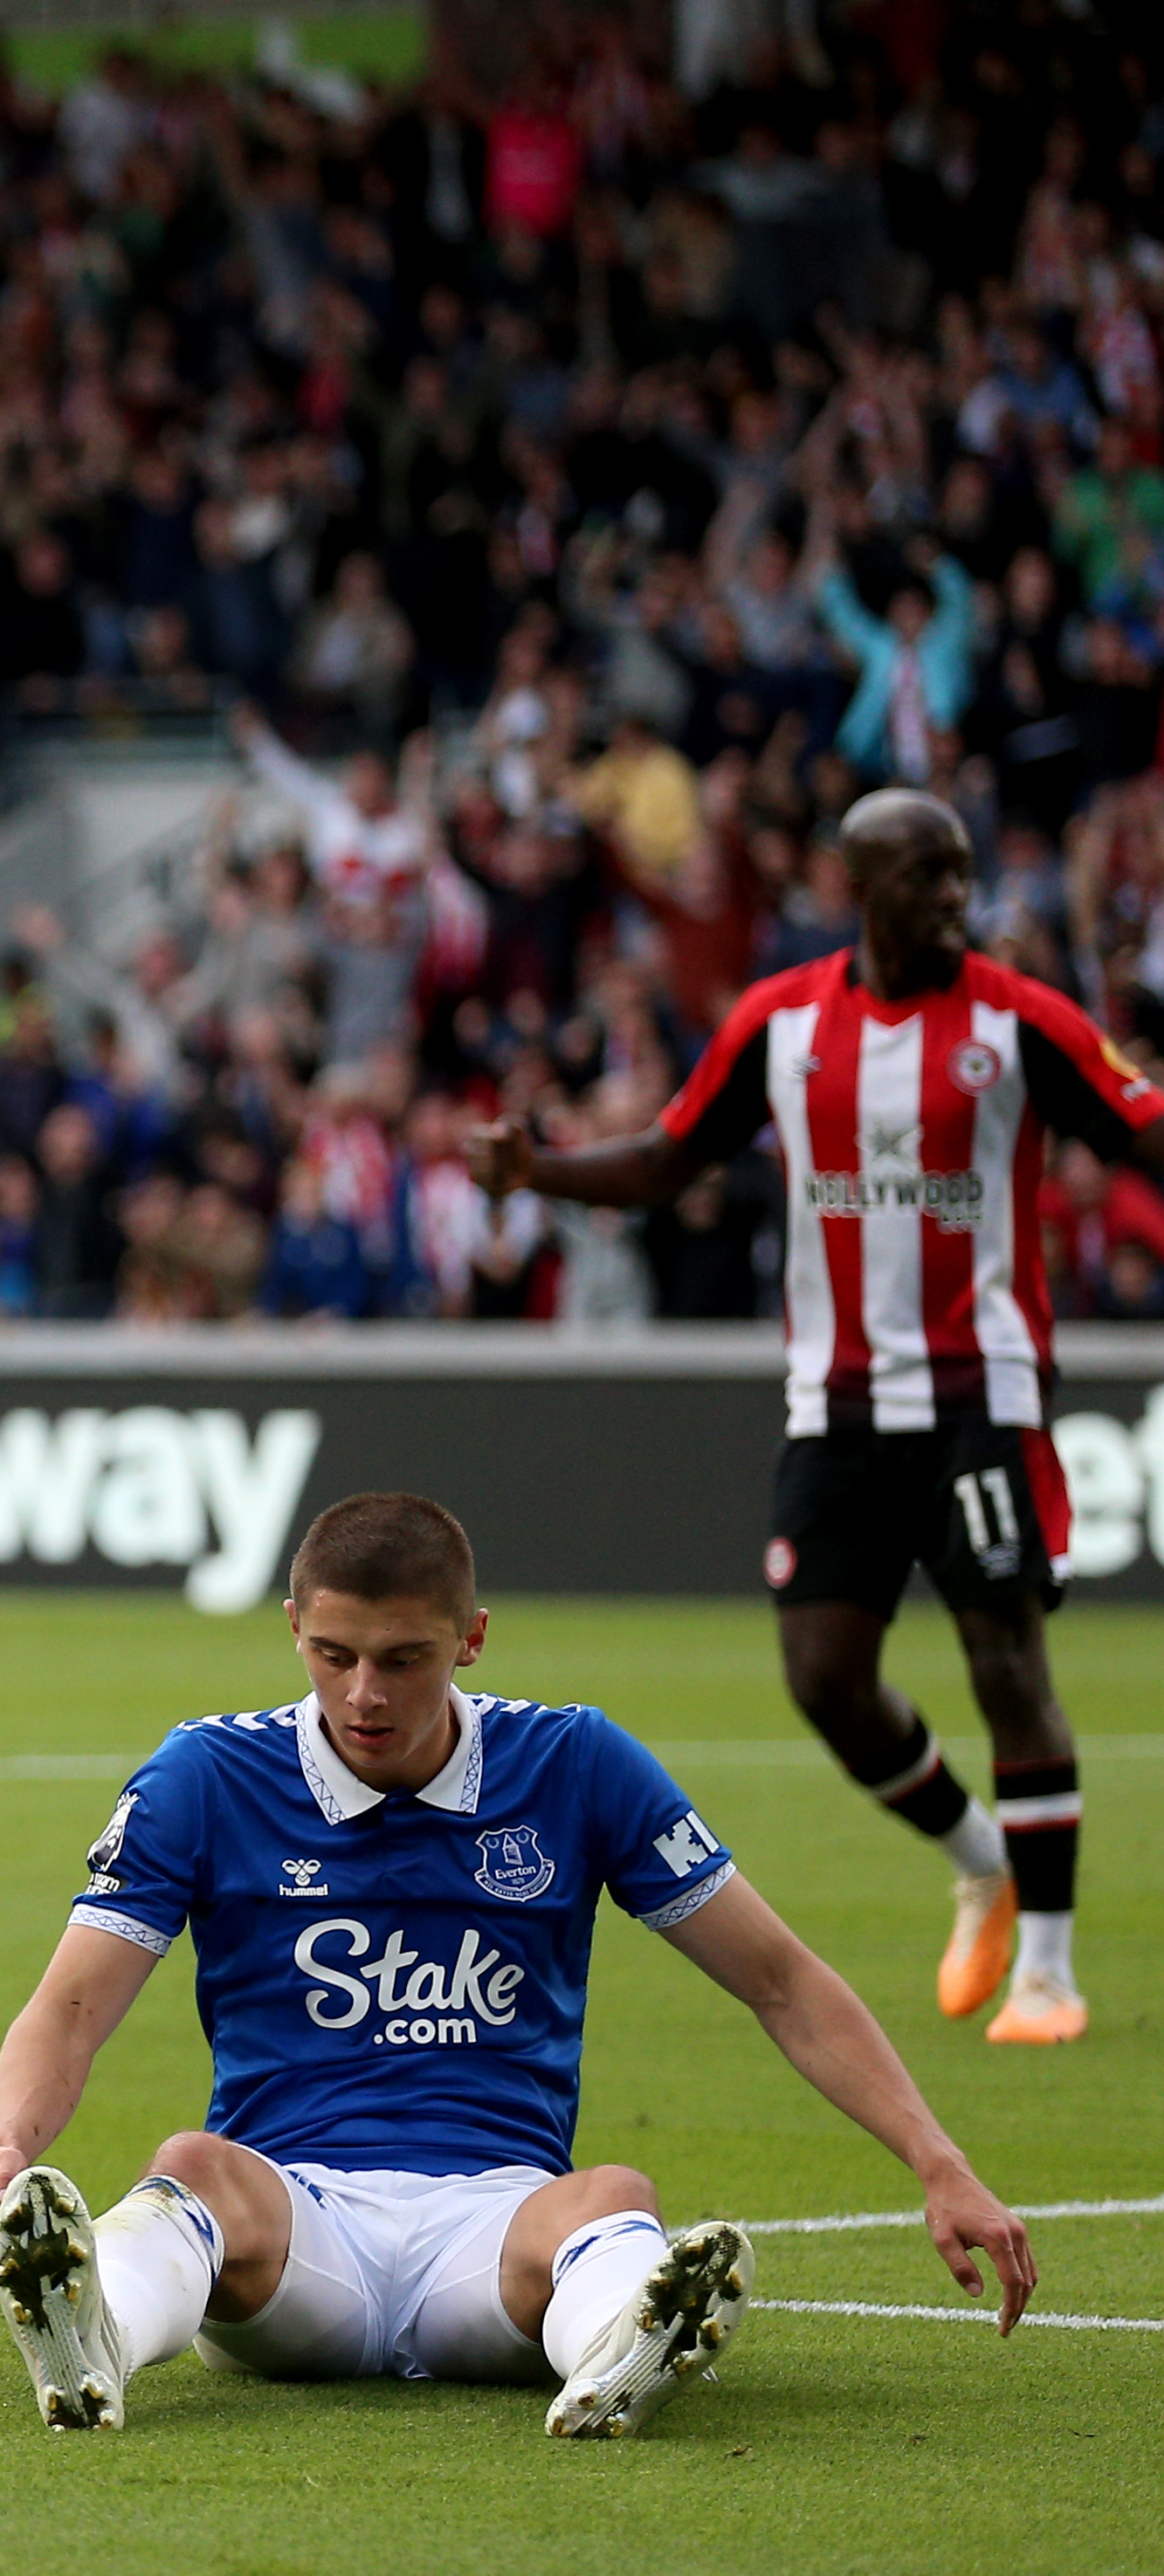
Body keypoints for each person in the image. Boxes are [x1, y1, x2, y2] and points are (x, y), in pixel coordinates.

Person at [0, 1493, 1032, 2440]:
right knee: (193, 2161)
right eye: (333, 1654)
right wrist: (6, 2142)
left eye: (401, 1657)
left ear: (470, 1637)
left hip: (495, 2227)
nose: (362, 1692)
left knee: (610, 2195)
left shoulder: (574, 1762)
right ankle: (96, 2336)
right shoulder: (207, 1772)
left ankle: (616, 2350)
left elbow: (779, 1980)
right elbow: (69, 2004)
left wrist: (937, 2160)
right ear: (292, 1628)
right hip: (290, 2227)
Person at [468, 788, 1156, 2046]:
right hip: (833, 1402)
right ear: (856, 886)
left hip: (976, 1396)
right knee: (824, 1677)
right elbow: (668, 1158)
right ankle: (980, 1855)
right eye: (926, 875)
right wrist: (537, 1169)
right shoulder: (778, 1023)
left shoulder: (1014, 1019)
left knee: (1005, 1659)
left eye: (958, 873)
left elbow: (1142, 1129)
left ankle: (1047, 1972)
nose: (954, 896)